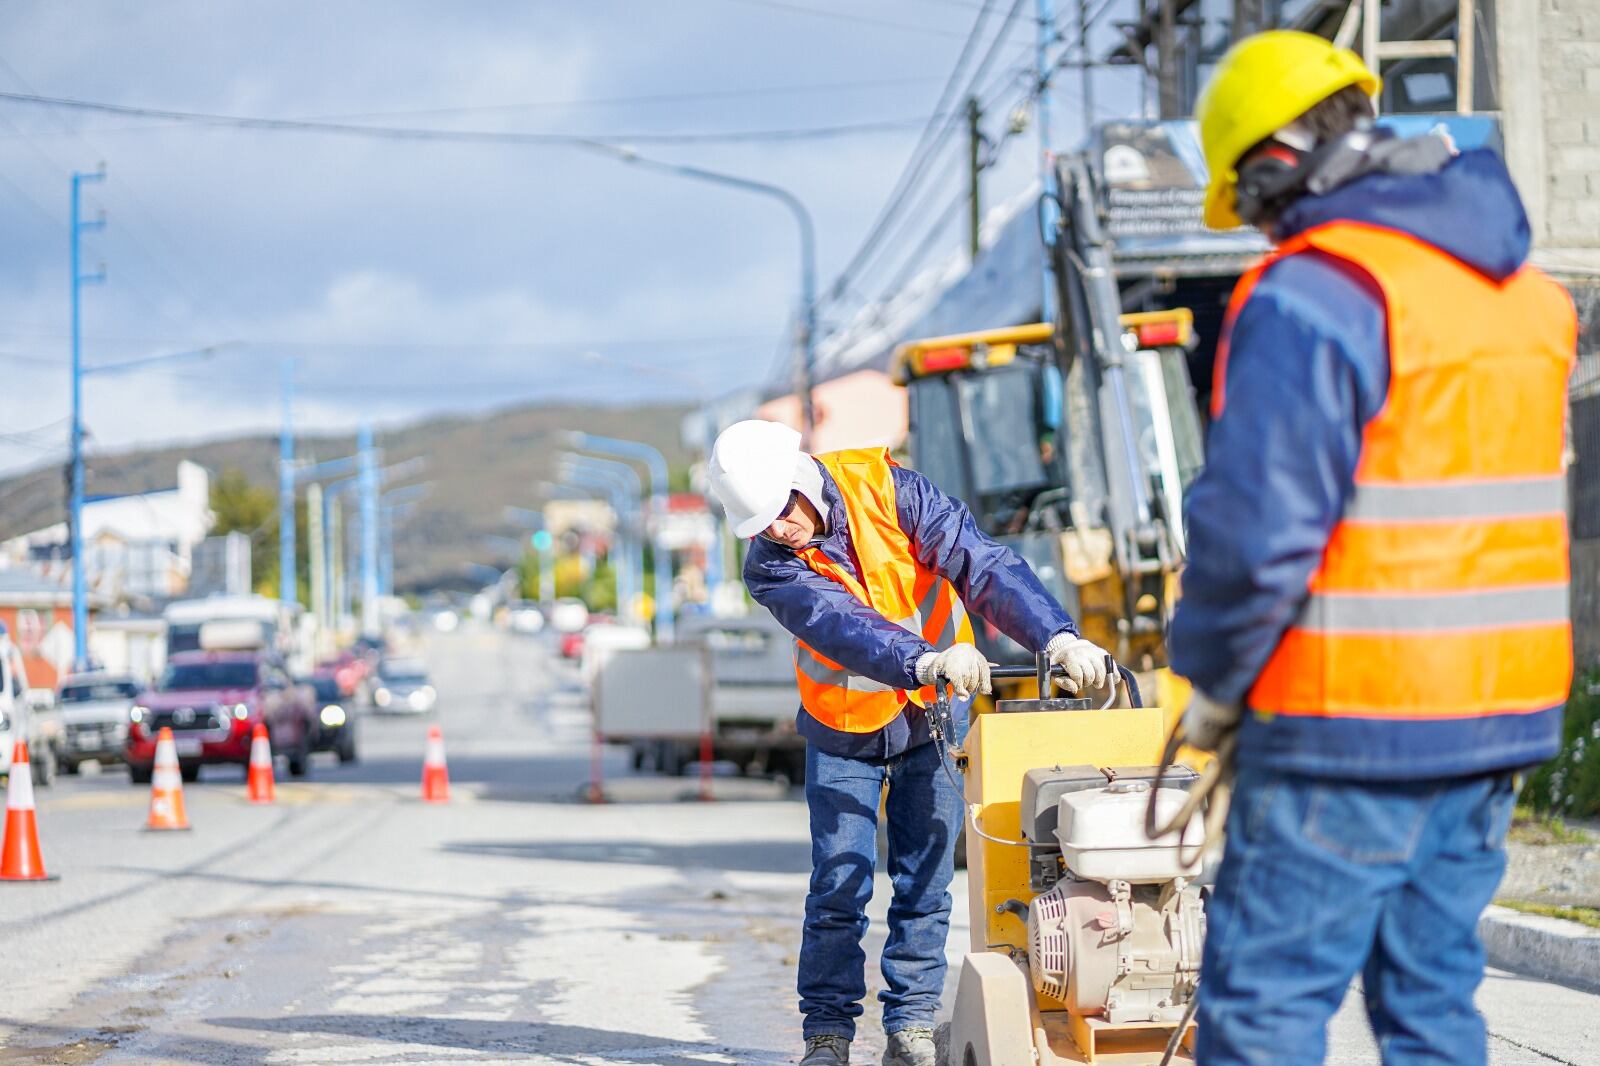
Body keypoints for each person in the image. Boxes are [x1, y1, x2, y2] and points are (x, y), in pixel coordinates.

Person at [1169, 30, 1577, 1066]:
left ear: (1273, 167)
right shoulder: (1525, 300)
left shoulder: (1316, 292)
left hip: (1346, 723)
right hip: (1497, 720)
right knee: (1434, 1010)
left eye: (1255, 206)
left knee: (1265, 1009)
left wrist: (1211, 687)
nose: (1262, 232)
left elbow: (1257, 534)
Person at [707, 419, 1109, 1066]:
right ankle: (828, 1038)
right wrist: (924, 660)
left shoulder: (891, 490)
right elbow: (841, 625)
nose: (777, 530)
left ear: (801, 477)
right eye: (761, 524)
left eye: (781, 511)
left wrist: (1056, 638)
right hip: (843, 726)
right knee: (841, 883)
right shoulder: (770, 567)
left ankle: (911, 1028)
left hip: (933, 718)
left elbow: (979, 561)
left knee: (925, 878)